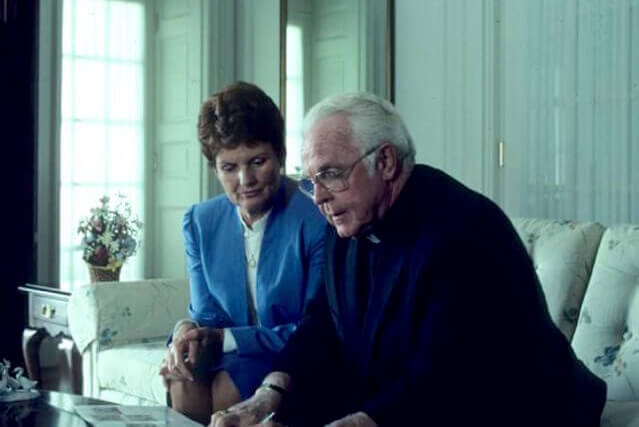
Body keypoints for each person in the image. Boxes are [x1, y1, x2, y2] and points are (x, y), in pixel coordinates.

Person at [207, 92, 607, 427]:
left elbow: (446, 375)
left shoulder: (464, 230)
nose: (320, 197)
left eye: (330, 174)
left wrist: (354, 421)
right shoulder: (347, 218)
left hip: (524, 411)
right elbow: (322, 327)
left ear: (385, 162)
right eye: (311, 181)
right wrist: (269, 397)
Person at [158, 81, 326, 425]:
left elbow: (316, 329)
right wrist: (185, 332)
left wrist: (227, 339)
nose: (245, 179)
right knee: (181, 375)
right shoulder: (200, 221)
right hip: (228, 353)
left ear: (280, 155)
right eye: (229, 167)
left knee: (226, 389)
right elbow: (206, 315)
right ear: (214, 169)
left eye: (258, 161)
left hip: (288, 357)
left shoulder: (315, 216)